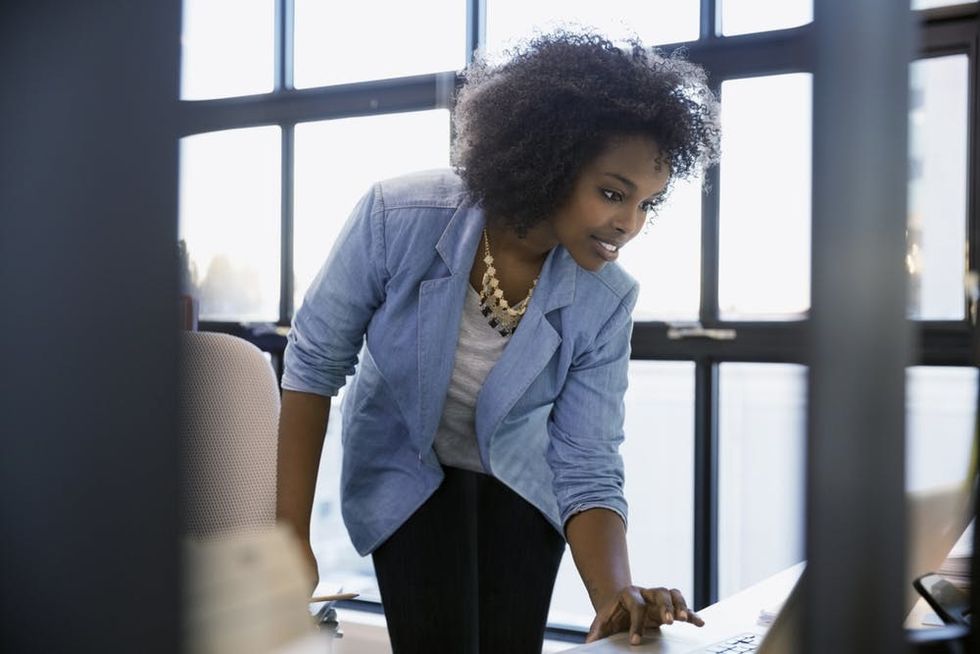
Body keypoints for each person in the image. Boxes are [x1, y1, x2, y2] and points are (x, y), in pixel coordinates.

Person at [276, 30, 720, 653]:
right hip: (406, 467)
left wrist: (615, 596)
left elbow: (586, 458)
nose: (630, 224)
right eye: (613, 193)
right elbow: (315, 366)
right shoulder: (398, 218)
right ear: (549, 161)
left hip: (520, 480)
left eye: (647, 203)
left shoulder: (607, 298)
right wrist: (290, 534)